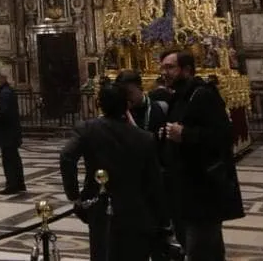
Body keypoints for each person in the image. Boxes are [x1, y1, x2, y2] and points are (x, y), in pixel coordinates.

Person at [60, 82, 170, 261]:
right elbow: (154, 182)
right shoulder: (145, 138)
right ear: (127, 104)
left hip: (99, 204)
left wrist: (74, 195)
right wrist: (163, 220)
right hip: (135, 207)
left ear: (99, 104)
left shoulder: (88, 129)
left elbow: (67, 156)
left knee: (102, 251)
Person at [159, 50, 245, 261]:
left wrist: (185, 134)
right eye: (163, 68)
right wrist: (166, 133)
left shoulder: (203, 94)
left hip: (203, 189)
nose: (163, 73)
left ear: (187, 70)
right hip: (185, 188)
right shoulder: (180, 96)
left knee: (201, 247)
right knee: (196, 245)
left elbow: (224, 135)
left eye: (169, 67)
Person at [0, 70, 26, 194]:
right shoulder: (8, 91)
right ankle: (19, 183)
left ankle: (12, 184)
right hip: (12, 131)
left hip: (7, 132)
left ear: (2, 79)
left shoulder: (5, 93)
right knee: (14, 158)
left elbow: (5, 113)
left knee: (9, 159)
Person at [117, 70, 170, 146]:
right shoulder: (119, 112)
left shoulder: (160, 109)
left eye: (129, 93)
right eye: (122, 94)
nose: (126, 98)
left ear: (140, 88)